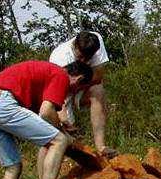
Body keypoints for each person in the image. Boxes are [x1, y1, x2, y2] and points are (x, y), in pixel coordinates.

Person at [49, 30, 117, 158]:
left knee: (98, 91)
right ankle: (72, 155)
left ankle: (101, 147)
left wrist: (79, 85)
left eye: (88, 58)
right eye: (80, 57)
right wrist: (65, 120)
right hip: (62, 93)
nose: (84, 61)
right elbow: (56, 96)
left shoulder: (96, 42)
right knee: (66, 126)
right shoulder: (59, 58)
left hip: (82, 85)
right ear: (75, 45)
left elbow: (98, 75)